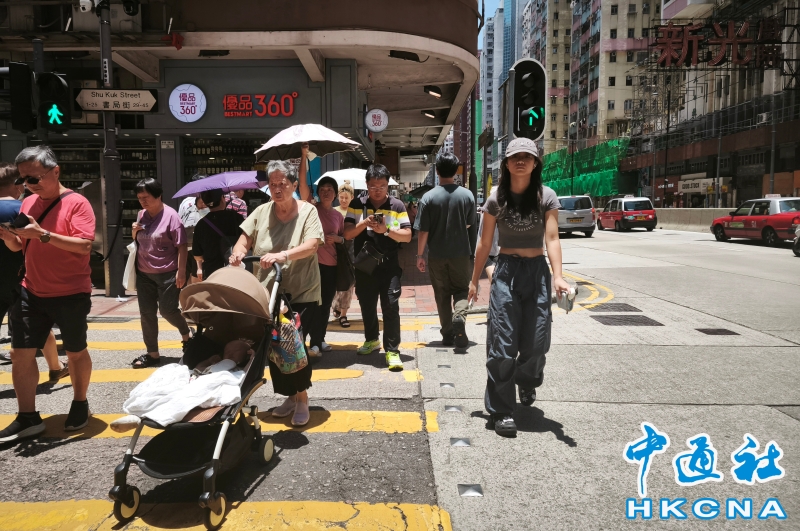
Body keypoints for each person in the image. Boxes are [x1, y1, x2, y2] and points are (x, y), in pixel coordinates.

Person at [468, 138, 570, 437]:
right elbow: (485, 243)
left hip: (537, 272)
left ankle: (526, 381)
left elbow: (552, 238)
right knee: (502, 345)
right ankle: (501, 410)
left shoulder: (546, 196)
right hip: (506, 272)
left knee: (536, 344)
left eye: (527, 156)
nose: (521, 161)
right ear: (507, 164)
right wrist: (474, 280)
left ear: (536, 162)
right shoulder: (496, 199)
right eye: (515, 157)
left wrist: (558, 276)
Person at [0, 146, 96, 442]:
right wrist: (9, 238)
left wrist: (43, 234)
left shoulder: (77, 203)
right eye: (23, 180)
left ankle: (79, 401)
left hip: (70, 292)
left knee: (76, 352)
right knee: (20, 354)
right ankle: (27, 416)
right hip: (31, 290)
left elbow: (84, 246)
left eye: (34, 178)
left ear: (56, 171)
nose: (28, 185)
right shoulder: (28, 203)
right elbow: (22, 247)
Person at [229, 160, 324, 427]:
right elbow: (243, 240)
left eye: (283, 183)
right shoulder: (261, 211)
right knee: (274, 347)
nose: (277, 189)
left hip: (302, 290)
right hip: (268, 292)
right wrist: (237, 254)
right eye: (273, 184)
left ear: (294, 185)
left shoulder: (308, 211)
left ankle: (302, 398)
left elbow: (312, 245)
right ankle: (291, 396)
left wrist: (284, 255)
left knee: (292, 344)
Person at [0, 163, 68, 380]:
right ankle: (55, 366)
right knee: (38, 325)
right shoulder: (24, 209)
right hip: (23, 279)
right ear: (17, 185)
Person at [343, 164, 412, 371]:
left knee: (390, 305)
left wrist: (386, 230)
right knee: (367, 304)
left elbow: (407, 236)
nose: (377, 190)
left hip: (389, 265)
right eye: (373, 186)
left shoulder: (397, 205)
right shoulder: (357, 204)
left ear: (388, 185)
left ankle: (392, 350)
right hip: (365, 265)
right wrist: (364, 223)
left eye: (382, 186)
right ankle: (372, 339)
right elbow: (347, 234)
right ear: (367, 185)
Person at [130, 178, 193, 369]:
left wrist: (181, 272)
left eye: (146, 197)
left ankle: (186, 333)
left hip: (168, 272)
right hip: (144, 273)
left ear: (158, 195)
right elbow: (138, 240)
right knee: (146, 314)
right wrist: (134, 232)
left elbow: (182, 246)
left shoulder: (171, 216)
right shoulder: (142, 214)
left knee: (168, 310)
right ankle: (153, 354)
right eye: (139, 198)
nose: (143, 201)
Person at [415, 152, 475, 348]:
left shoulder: (428, 197)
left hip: (437, 255)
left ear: (437, 171)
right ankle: (459, 317)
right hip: (461, 253)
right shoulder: (467, 195)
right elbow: (468, 224)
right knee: (461, 290)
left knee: (441, 294)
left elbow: (423, 230)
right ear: (456, 171)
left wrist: (420, 255)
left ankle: (448, 334)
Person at [298, 145, 344, 356]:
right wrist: (303, 156)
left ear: (335, 194)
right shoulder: (311, 209)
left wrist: (338, 239)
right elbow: (303, 185)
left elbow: (343, 238)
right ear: (318, 192)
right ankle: (308, 341)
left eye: (330, 189)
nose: (326, 192)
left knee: (325, 305)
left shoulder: (338, 216)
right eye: (323, 189)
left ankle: (319, 339)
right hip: (312, 265)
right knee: (311, 305)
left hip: (331, 266)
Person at [192, 189, 244, 281]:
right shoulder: (236, 218)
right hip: (235, 269)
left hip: (212, 272)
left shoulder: (201, 225)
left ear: (206, 203)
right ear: (222, 199)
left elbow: (197, 254)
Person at [332, 182, 356, 328]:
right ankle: (336, 304)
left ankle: (343, 314)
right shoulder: (333, 212)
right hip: (334, 252)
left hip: (351, 252)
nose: (344, 200)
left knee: (349, 283)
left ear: (352, 197)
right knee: (335, 283)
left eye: (347, 198)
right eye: (341, 197)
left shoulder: (355, 213)